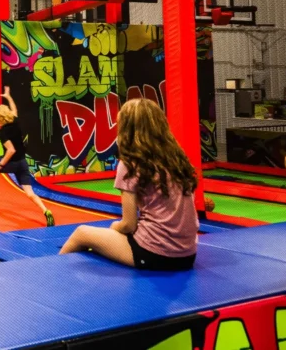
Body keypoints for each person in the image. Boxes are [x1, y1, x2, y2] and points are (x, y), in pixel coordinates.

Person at [59, 98, 198, 271]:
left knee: (81, 233)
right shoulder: (177, 158)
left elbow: (129, 224)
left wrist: (114, 227)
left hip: (154, 253)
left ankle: (54, 276)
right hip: (187, 255)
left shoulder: (130, 163)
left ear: (127, 129)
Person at [0, 91, 54, 226]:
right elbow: (14, 109)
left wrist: (0, 165)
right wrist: (9, 97)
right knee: (29, 193)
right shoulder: (15, 121)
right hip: (23, 162)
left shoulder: (2, 132)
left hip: (11, 163)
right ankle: (46, 211)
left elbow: (11, 150)